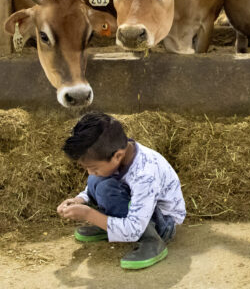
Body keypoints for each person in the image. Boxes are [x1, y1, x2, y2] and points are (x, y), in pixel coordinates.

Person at [57, 112, 186, 270]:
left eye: (94, 168)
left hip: (163, 223)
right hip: (138, 209)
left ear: (117, 156)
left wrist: (88, 214)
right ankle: (110, 225)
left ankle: (152, 241)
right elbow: (94, 182)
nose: (90, 173)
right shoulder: (119, 151)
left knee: (104, 187)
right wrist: (80, 200)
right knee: (97, 180)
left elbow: (133, 229)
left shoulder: (145, 174)